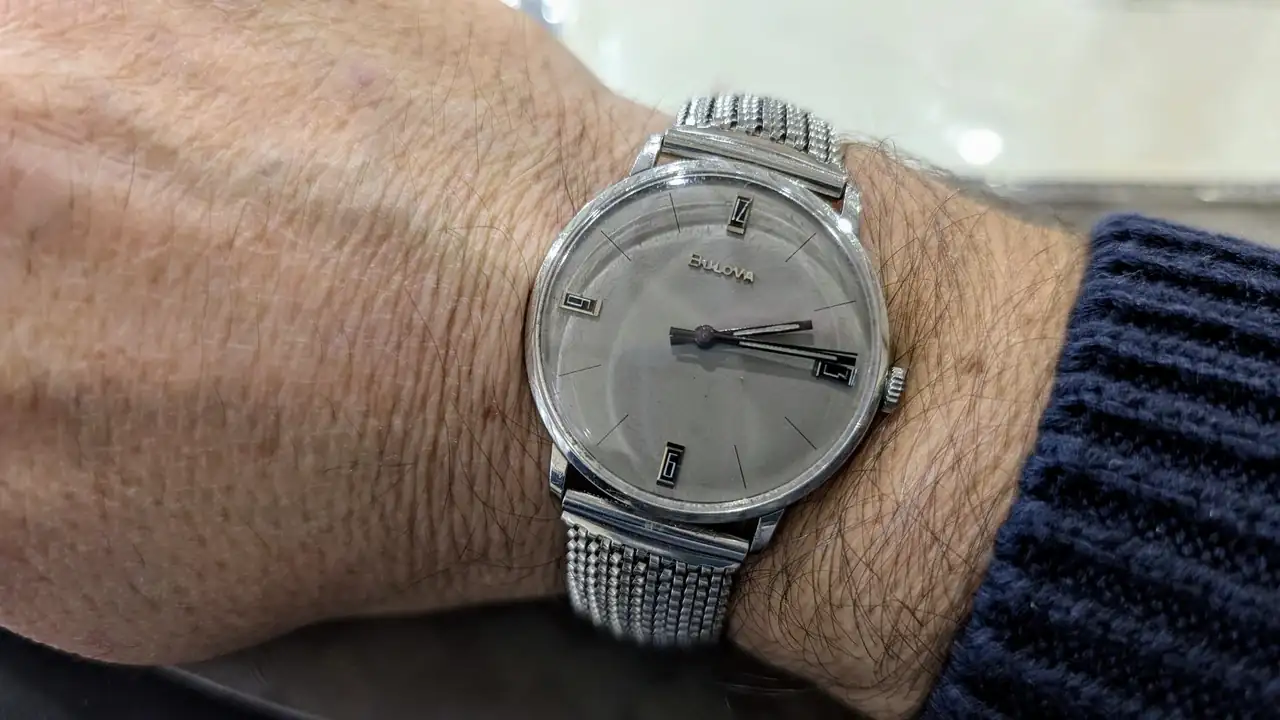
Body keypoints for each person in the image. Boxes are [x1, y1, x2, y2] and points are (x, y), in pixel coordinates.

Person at [0, 1, 1274, 718]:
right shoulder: (677, 239)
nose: (711, 338)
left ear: (887, 386)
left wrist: (967, 432)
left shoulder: (870, 378)